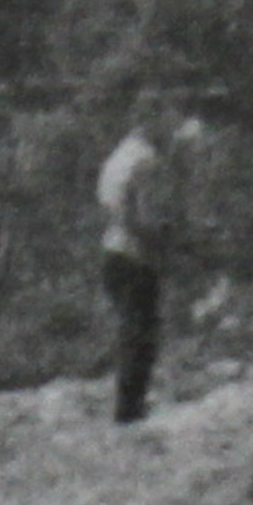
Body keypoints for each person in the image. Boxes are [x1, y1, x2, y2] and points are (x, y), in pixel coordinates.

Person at [97, 105, 176, 422]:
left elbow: (109, 206)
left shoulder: (117, 157)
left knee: (130, 329)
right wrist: (169, 243)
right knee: (140, 332)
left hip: (112, 250)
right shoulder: (146, 162)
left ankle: (127, 405)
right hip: (135, 255)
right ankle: (130, 409)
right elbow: (144, 216)